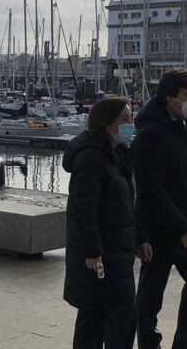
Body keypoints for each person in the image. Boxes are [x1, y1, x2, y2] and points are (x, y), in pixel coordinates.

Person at [132, 67, 187, 349]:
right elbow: (150, 190)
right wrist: (181, 227)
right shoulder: (150, 134)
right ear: (171, 98)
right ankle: (149, 344)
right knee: (149, 300)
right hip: (160, 229)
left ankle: (185, 344)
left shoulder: (186, 127)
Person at [63, 96, 146, 348]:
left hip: (117, 252)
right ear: (107, 125)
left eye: (131, 118)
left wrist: (139, 238)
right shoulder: (91, 157)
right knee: (113, 317)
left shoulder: (118, 154)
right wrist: (92, 251)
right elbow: (83, 209)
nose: (131, 124)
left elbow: (126, 204)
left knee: (96, 318)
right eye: (124, 119)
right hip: (101, 256)